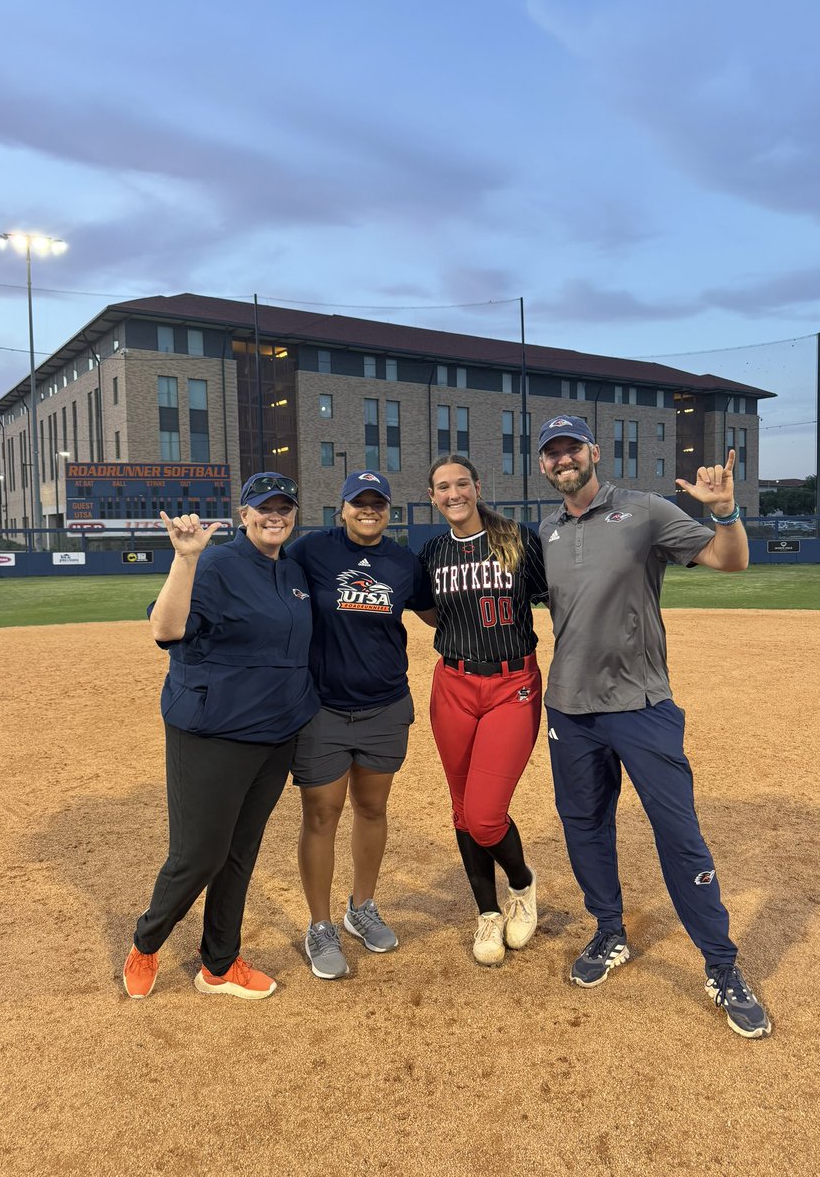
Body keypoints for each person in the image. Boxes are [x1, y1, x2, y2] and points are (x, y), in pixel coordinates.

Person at [536, 414, 771, 1038]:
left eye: (571, 449)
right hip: (568, 707)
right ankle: (609, 932)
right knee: (585, 826)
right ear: (543, 465)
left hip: (640, 706)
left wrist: (725, 511)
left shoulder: (642, 511)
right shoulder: (549, 529)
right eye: (552, 453)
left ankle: (721, 966)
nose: (564, 460)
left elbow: (729, 562)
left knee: (679, 835)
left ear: (593, 452)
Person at [122, 472, 318, 1001]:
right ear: (243, 514)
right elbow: (165, 630)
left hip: (276, 736)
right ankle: (146, 941)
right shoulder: (215, 562)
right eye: (263, 507)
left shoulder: (294, 572)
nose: (274, 516)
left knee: (240, 852)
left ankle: (220, 963)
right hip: (213, 730)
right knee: (200, 854)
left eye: (284, 507)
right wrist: (184, 558)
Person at [285, 471, 433, 979]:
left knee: (372, 808)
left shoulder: (403, 562)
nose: (368, 510)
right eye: (359, 503)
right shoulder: (310, 552)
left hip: (384, 704)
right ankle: (320, 924)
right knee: (322, 813)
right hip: (323, 707)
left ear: (388, 510)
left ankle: (361, 907)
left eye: (378, 504)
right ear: (341, 509)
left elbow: (438, 614)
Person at [419, 455, 547, 966]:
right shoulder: (430, 552)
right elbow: (431, 612)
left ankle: (522, 884)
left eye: (462, 483)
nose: (454, 494)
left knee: (485, 815)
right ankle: (487, 914)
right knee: (460, 807)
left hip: (512, 682)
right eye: (442, 487)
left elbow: (554, 597)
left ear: (478, 485)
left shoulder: (516, 538)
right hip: (452, 682)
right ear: (432, 496)